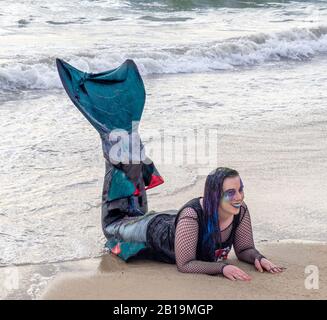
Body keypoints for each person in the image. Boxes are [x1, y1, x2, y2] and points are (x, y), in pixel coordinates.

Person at [105, 167, 285, 281]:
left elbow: (244, 249)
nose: (239, 197)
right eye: (231, 193)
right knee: (113, 227)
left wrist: (259, 258)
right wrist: (222, 268)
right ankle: (119, 159)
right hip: (152, 231)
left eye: (240, 190)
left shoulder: (239, 210)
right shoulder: (192, 216)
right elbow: (185, 265)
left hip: (177, 222)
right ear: (215, 196)